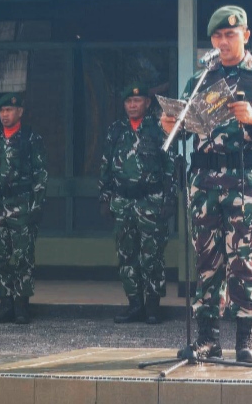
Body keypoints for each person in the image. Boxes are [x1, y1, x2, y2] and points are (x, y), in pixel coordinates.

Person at [161, 5, 252, 364]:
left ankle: (246, 339)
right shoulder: (201, 79)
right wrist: (173, 125)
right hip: (203, 182)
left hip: (244, 182)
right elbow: (190, 125)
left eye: (230, 35)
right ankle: (207, 339)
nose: (223, 42)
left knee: (244, 260)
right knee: (207, 260)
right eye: (217, 37)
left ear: (245, 36)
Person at [99, 83, 177, 325]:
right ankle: (134, 304)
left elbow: (170, 165)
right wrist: (104, 196)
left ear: (147, 103)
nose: (132, 105)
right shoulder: (115, 130)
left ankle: (153, 306)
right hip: (123, 201)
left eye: (138, 101)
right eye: (128, 102)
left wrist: (169, 198)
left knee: (151, 256)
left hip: (150, 201)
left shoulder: (158, 128)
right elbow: (105, 165)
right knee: (126, 254)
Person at [0, 93, 48, 325]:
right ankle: (5, 304)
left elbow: (40, 175)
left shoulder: (30, 139)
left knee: (22, 257)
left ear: (20, 112)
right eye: (1, 111)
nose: (5, 115)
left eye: (9, 110)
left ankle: (21, 306)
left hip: (22, 204)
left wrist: (36, 206)